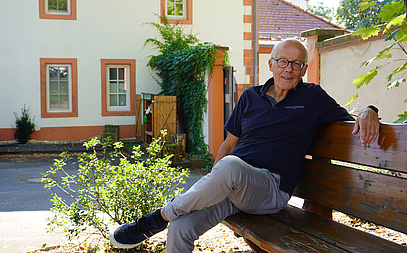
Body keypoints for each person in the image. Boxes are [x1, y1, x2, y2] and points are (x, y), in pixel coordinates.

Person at [109, 38, 380, 252]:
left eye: (297, 64)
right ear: (271, 65)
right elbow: (228, 145)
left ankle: (154, 219)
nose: (289, 69)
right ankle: (168, 219)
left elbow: (352, 120)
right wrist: (215, 181)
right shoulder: (250, 97)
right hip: (233, 185)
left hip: (270, 190)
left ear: (305, 70)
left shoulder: (312, 98)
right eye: (283, 61)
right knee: (181, 227)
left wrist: (370, 108)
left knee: (229, 168)